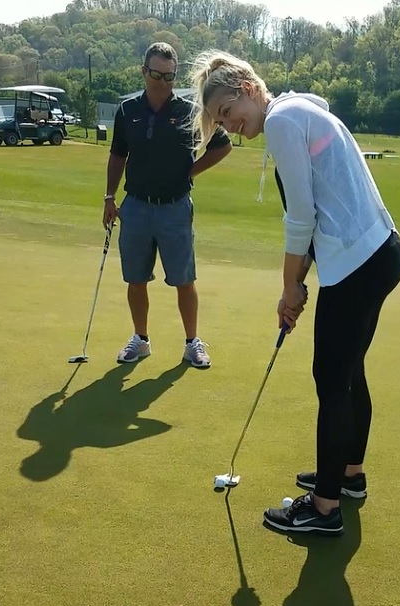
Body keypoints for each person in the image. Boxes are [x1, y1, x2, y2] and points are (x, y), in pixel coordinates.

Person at [190, 51, 400, 535]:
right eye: (221, 121)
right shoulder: (299, 111)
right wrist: (298, 281)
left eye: (228, 112)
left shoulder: (284, 121)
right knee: (348, 373)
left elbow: (301, 218)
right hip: (379, 253)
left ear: (247, 87)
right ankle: (348, 476)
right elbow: (314, 217)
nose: (231, 126)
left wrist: (290, 285)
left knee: (331, 379)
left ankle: (325, 508)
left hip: (358, 262)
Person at [103, 42, 233, 368]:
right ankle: (141, 340)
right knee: (135, 278)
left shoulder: (190, 110)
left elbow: (222, 146)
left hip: (174, 207)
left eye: (169, 76)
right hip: (135, 206)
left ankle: (192, 343)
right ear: (143, 71)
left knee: (184, 280)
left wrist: (191, 171)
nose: (162, 82)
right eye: (156, 75)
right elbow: (118, 155)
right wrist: (109, 197)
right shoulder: (127, 110)